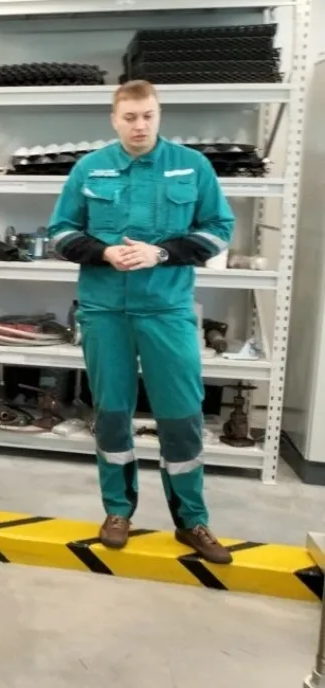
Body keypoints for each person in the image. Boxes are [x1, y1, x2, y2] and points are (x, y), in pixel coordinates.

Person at [47, 80, 236, 565]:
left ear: (159, 116)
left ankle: (192, 520)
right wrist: (104, 252)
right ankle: (117, 511)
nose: (139, 125)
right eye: (129, 117)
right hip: (104, 310)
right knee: (111, 413)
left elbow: (219, 230)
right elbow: (61, 231)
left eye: (147, 116)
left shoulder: (192, 166)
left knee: (181, 415)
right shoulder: (90, 168)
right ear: (114, 120)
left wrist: (162, 253)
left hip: (167, 310)